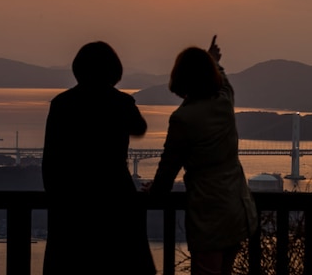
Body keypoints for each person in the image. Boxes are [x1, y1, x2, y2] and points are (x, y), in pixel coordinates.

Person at [144, 36, 258, 275]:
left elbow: (168, 168)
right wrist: (214, 61)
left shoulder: (183, 119)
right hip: (237, 209)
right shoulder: (224, 102)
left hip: (209, 214)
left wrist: (154, 194)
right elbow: (224, 82)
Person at [41, 41, 156, 275]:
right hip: (115, 198)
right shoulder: (121, 102)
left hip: (71, 204)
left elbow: (50, 162)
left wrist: (57, 198)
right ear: (114, 70)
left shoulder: (61, 104)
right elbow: (139, 127)